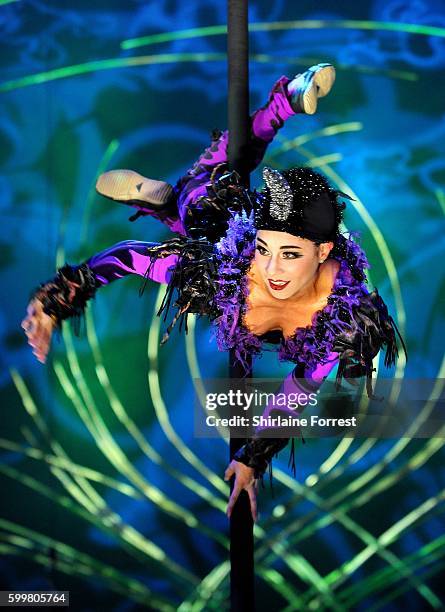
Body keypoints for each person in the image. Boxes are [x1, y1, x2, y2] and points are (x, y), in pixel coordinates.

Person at [21, 64, 405, 522]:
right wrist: (56, 300)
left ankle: (162, 202)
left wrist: (251, 459)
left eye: (289, 255)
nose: (272, 269)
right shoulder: (223, 274)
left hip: (228, 236)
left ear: (323, 252)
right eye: (265, 249)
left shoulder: (342, 318)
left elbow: (297, 392)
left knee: (228, 166)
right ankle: (175, 196)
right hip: (214, 208)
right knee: (223, 171)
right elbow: (129, 257)